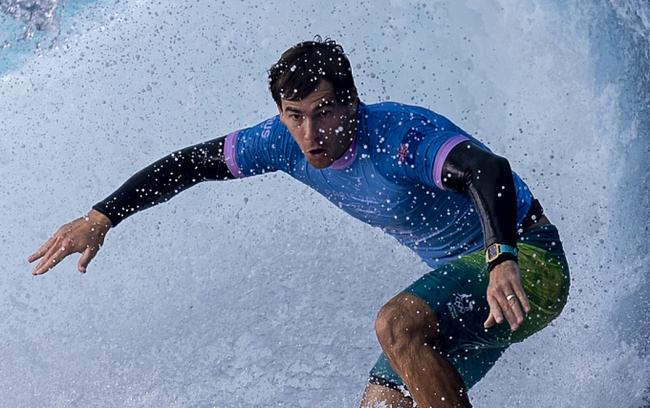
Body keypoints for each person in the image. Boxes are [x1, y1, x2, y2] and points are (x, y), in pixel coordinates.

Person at [28, 38, 571, 408]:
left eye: (325, 111)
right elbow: (190, 164)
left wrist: (503, 258)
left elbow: (488, 170)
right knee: (382, 403)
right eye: (295, 115)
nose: (311, 132)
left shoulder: (398, 135)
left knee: (395, 324)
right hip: (467, 295)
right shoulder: (281, 142)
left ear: (351, 103)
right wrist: (103, 216)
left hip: (530, 267)